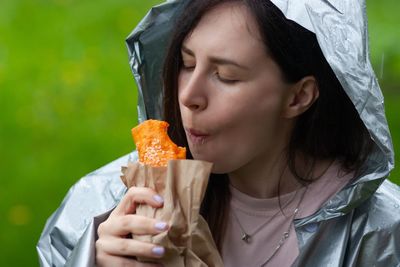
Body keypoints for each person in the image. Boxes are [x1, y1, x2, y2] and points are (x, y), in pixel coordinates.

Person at [37, 0, 400, 266]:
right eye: (187, 63)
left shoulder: (379, 234)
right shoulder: (107, 201)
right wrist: (89, 260)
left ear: (299, 96)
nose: (188, 95)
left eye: (225, 76)